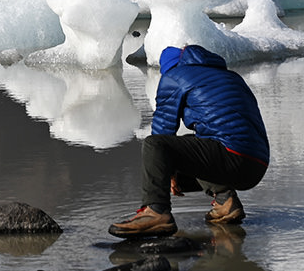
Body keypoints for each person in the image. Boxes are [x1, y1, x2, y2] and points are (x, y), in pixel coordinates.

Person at [110, 44, 270, 238]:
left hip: (230, 155)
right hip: (255, 167)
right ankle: (225, 201)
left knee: (155, 145)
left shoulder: (175, 76)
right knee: (196, 143)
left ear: (168, 67)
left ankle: (156, 212)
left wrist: (167, 173)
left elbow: (163, 131)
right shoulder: (232, 77)